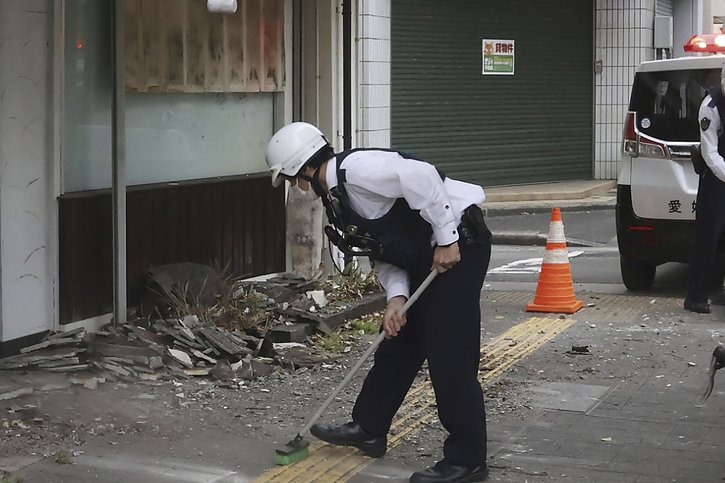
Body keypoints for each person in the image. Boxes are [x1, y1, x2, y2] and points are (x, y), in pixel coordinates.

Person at [266, 122, 492, 482]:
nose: (296, 186)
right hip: (424, 255)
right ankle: (369, 427)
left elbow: (422, 176)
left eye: (293, 178)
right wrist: (396, 298)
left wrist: (448, 239)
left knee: (450, 353)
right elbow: (385, 250)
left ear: (306, 167)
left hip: (460, 245)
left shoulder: (356, 171)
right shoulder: (338, 197)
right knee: (398, 341)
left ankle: (468, 460)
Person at [685, 64, 725, 314]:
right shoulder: (710, 106)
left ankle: (716, 288)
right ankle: (696, 295)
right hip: (715, 182)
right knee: (707, 238)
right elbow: (710, 153)